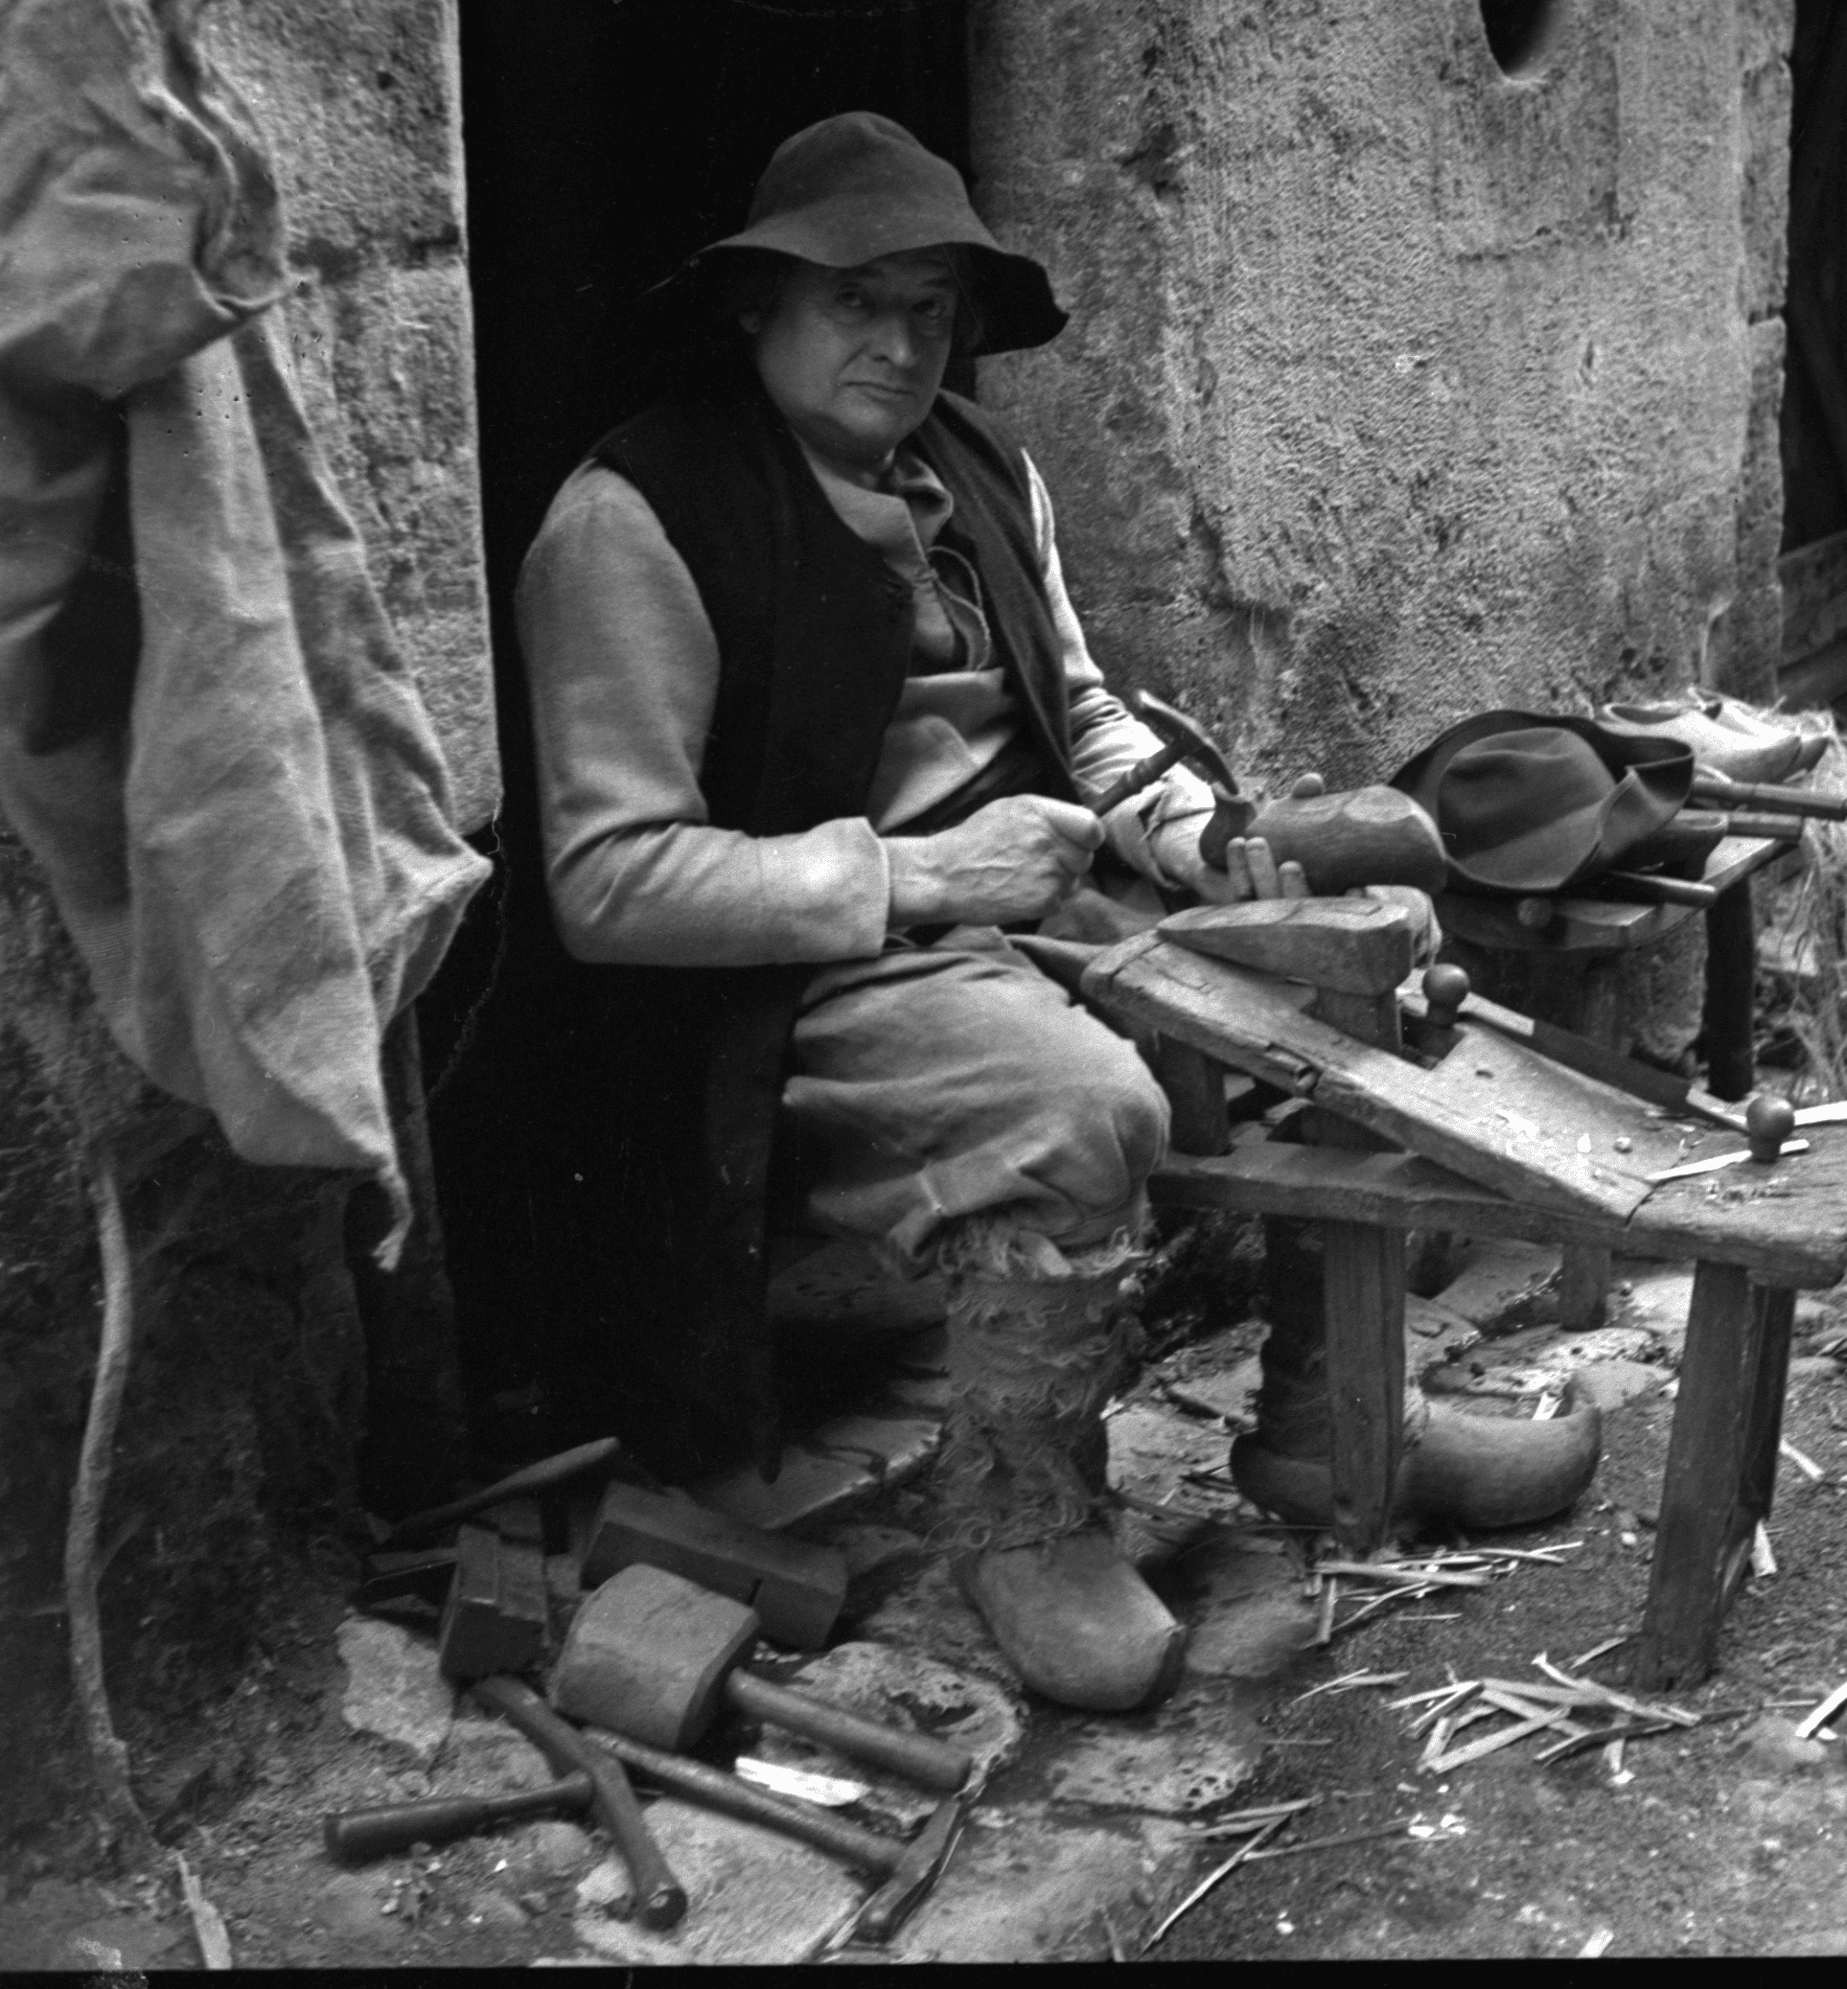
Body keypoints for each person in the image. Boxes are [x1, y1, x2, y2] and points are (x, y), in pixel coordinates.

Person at [513, 113, 1594, 1710]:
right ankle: (1024, 1517)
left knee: (1373, 982)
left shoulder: (982, 469)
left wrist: (1200, 841)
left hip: (1039, 893)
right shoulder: (634, 521)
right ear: (759, 306)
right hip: (821, 962)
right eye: (855, 301)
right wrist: (924, 875)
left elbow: (1079, 716)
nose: (899, 345)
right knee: (1080, 1107)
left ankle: (1336, 1420)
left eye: (929, 308)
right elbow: (610, 884)